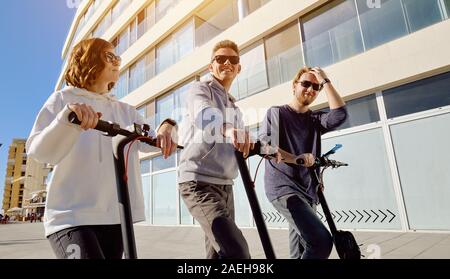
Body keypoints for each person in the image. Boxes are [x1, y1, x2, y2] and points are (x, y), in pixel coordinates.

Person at [26, 38, 178, 259]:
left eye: (117, 57)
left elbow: (156, 142)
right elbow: (39, 153)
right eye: (109, 56)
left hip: (115, 218)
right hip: (71, 218)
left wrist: (168, 126)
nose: (117, 61)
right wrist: (66, 119)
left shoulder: (126, 111)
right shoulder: (62, 100)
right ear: (88, 59)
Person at [259, 66, 348, 259]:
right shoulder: (277, 113)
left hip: (308, 191)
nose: (311, 89)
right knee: (321, 241)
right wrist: (295, 158)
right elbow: (266, 147)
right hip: (284, 188)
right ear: (294, 86)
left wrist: (325, 80)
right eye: (306, 84)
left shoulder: (315, 119)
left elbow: (340, 114)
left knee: (300, 251)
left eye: (316, 87)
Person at [178, 40, 254, 259]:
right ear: (211, 66)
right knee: (236, 252)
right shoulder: (200, 89)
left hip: (225, 185)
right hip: (198, 182)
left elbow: (245, 138)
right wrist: (229, 129)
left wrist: (271, 150)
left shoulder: (235, 108)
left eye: (233, 60)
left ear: (238, 68)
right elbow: (203, 113)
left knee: (217, 254)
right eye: (220, 59)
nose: (227, 63)